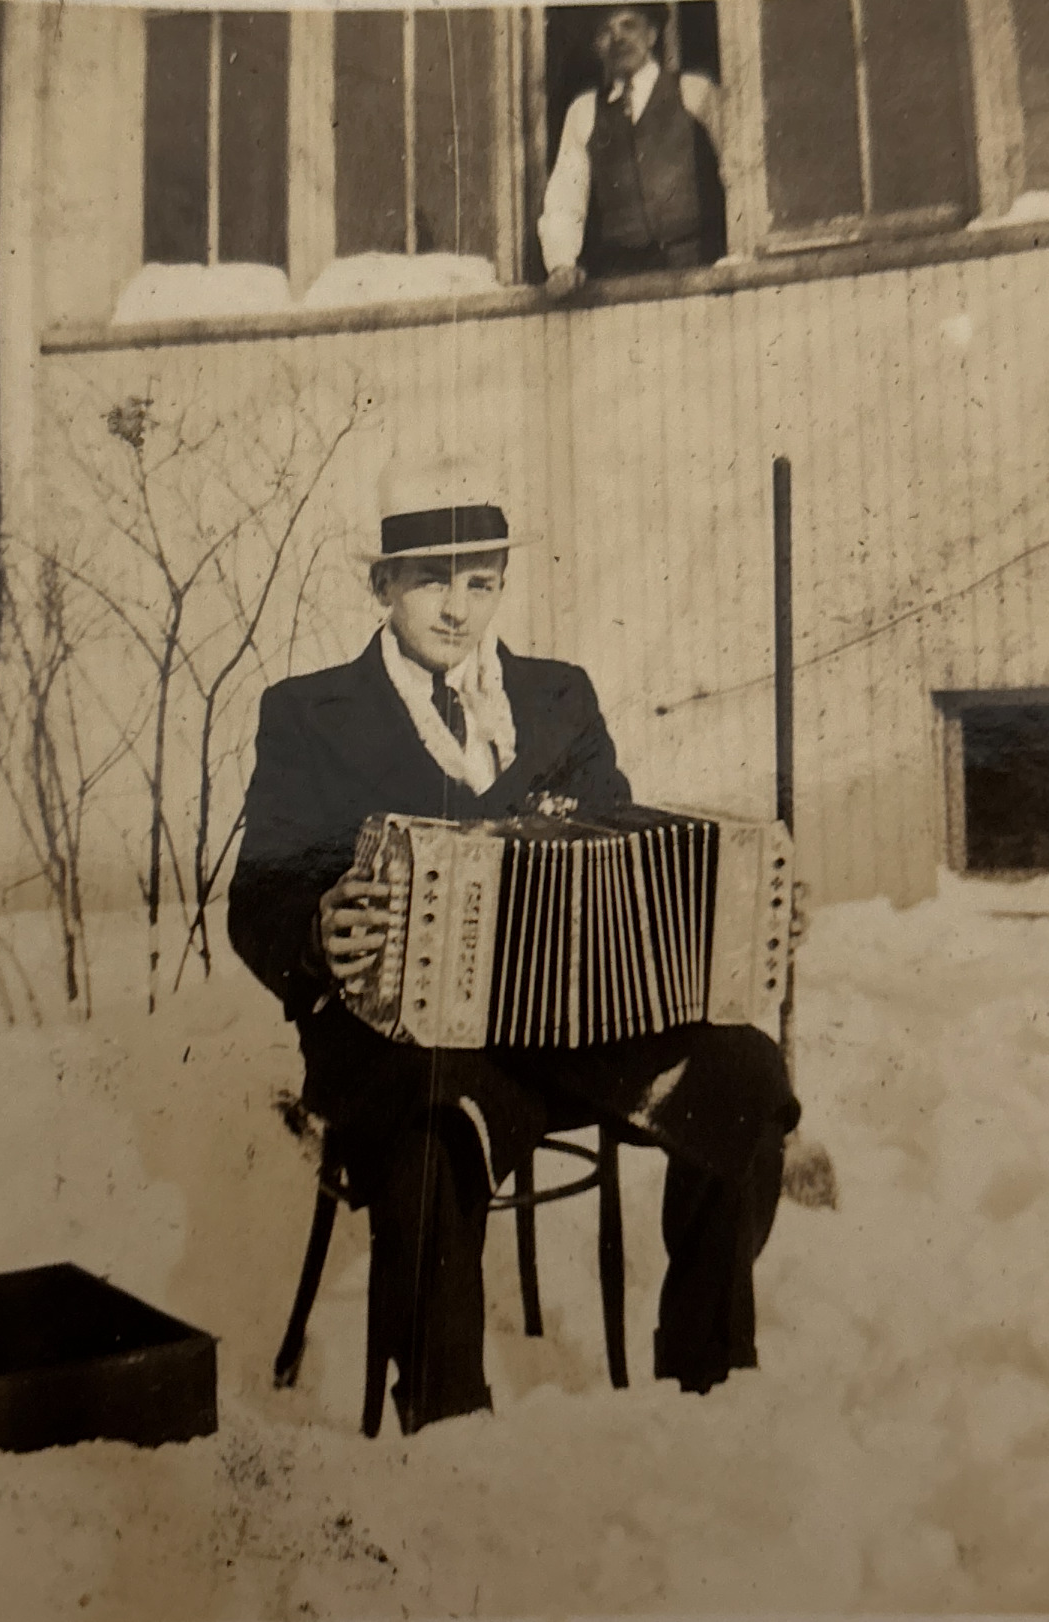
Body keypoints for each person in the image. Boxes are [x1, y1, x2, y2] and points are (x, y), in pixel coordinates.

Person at [228, 452, 799, 1435]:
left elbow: (624, 856)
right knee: (431, 1112)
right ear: (383, 584)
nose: (458, 606)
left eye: (481, 579)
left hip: (570, 1026)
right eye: (431, 579)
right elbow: (260, 892)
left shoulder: (556, 697)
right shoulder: (309, 711)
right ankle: (449, 1421)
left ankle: (707, 1378)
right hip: (400, 1037)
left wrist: (736, 913)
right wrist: (319, 929)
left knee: (745, 1070)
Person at [538, 2, 726, 296]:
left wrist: (743, 247)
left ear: (651, 35)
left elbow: (740, 170)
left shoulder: (694, 92)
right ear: (596, 46)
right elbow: (565, 198)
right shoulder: (584, 111)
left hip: (696, 271)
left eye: (629, 25)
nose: (618, 39)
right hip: (622, 281)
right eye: (605, 31)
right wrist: (561, 264)